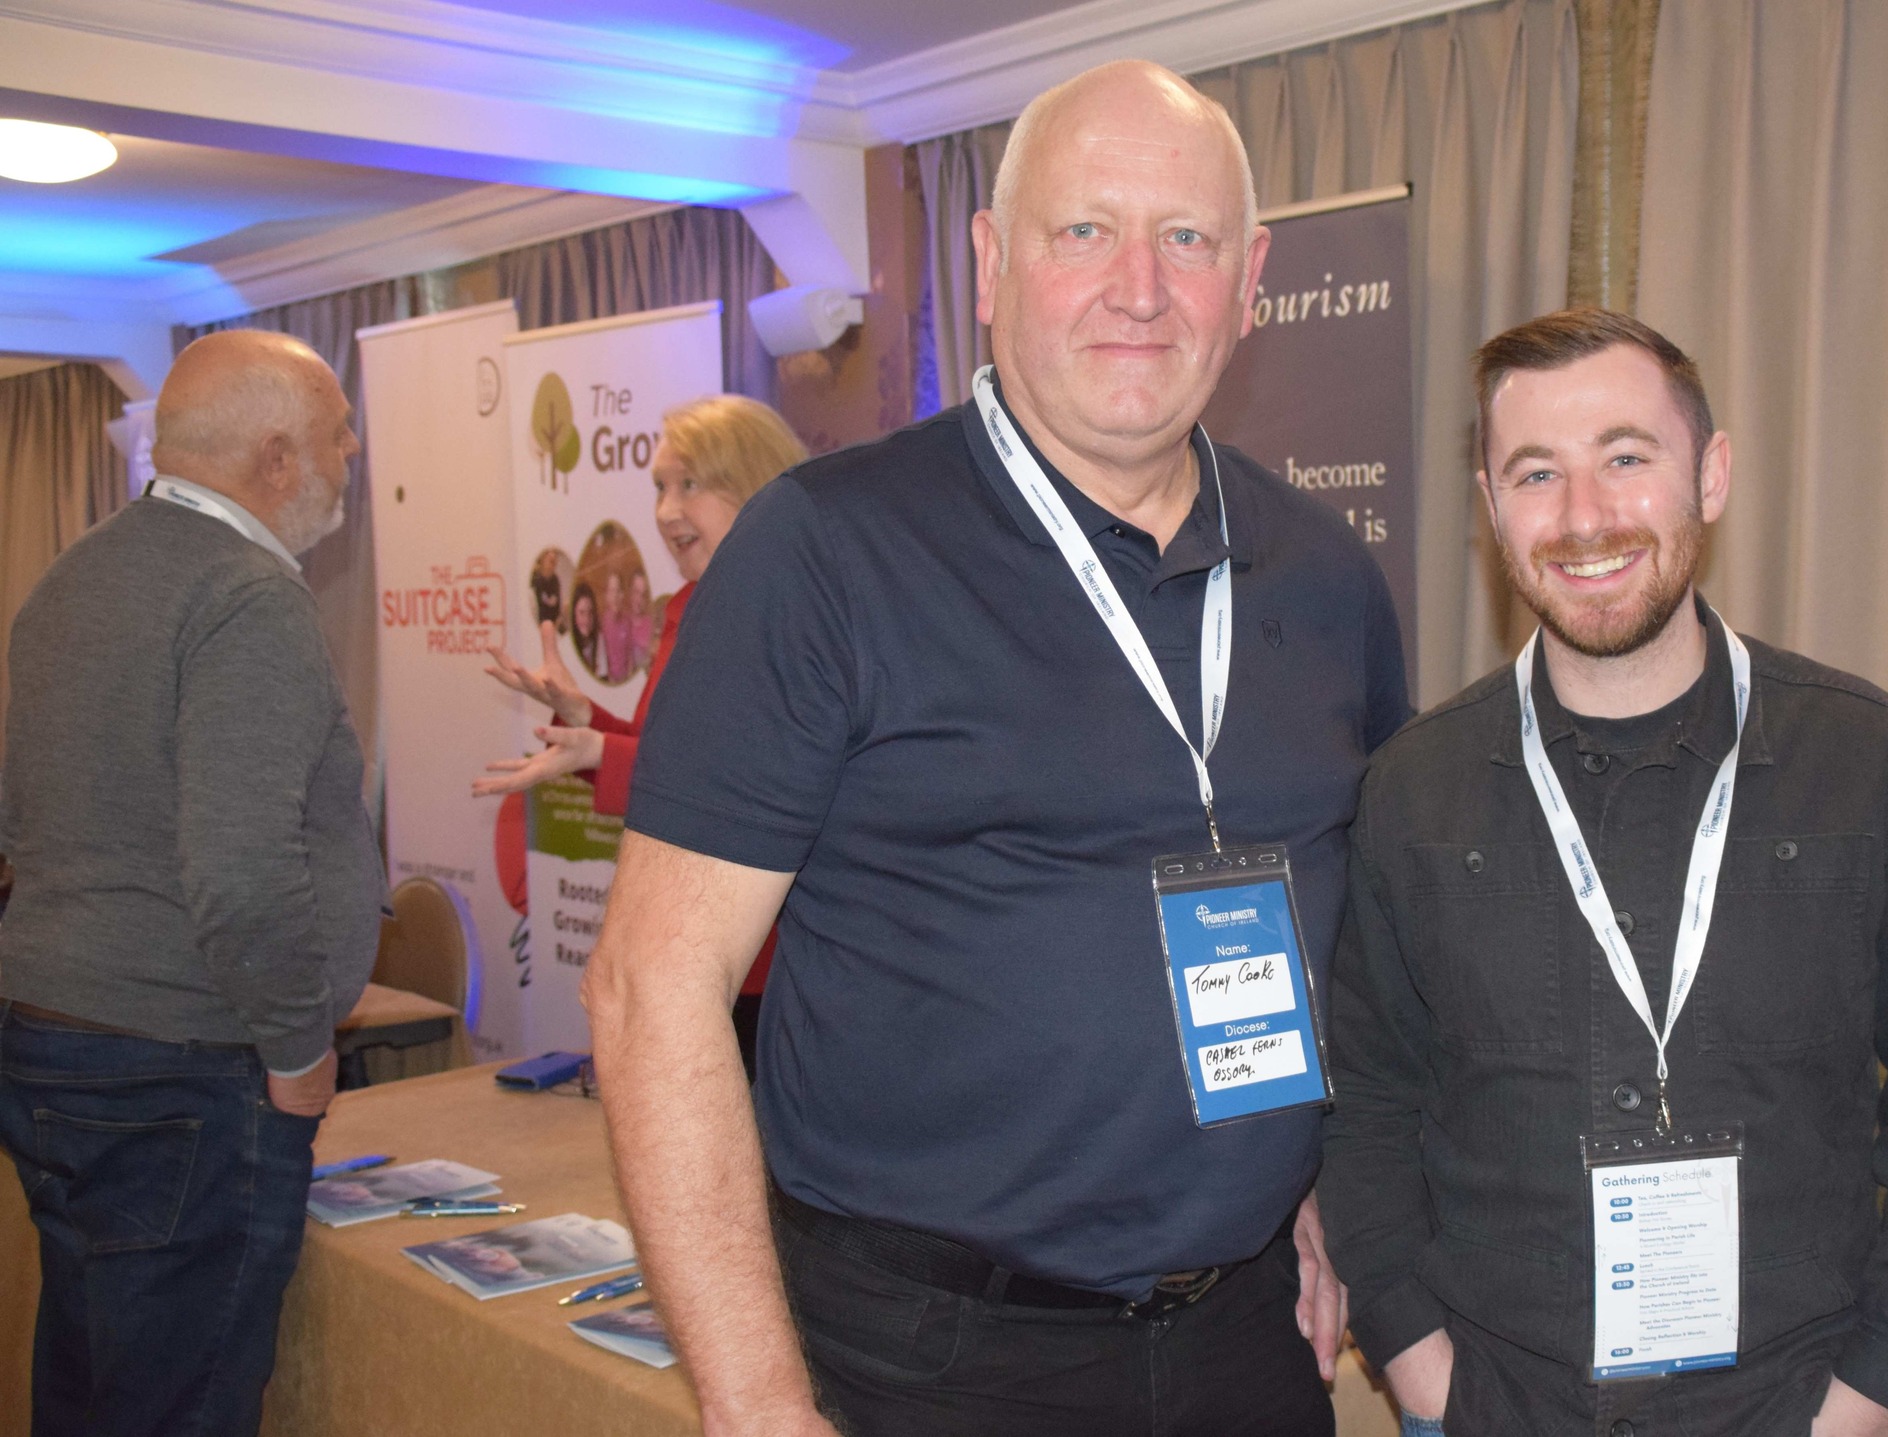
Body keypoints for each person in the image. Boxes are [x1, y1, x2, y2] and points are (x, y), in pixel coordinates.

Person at [583, 59, 1410, 1437]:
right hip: (928, 1358)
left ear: (1250, 277)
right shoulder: (826, 551)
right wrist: (759, 1411)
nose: (1138, 284)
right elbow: (651, 987)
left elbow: (1361, 934)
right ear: (989, 260)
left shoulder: (1325, 574)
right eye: (1083, 229)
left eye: (1187, 239)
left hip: (1243, 1343)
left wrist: (1326, 1176)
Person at [1318, 308, 1888, 1437]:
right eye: (1535, 472)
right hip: (1496, 1403)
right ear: (1491, 510)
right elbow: (1362, 1098)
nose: (1583, 516)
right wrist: (1415, 1359)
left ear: (1708, 476)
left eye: (1624, 458)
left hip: (1799, 1405)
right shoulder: (1412, 790)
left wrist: (1878, 1394)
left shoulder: (1871, 767)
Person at [0, 328, 386, 1435]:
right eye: (337, 433)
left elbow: (23, 817)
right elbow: (241, 873)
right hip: (183, 1072)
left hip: (53, 1050)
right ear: (275, 458)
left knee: (89, 1384)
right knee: (176, 1407)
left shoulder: (71, 579)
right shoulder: (245, 596)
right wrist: (298, 1048)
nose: (352, 453)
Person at [474, 393, 807, 1070]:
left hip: (772, 960)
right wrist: (583, 721)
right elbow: (670, 756)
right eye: (659, 486)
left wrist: (600, 750)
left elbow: (741, 782)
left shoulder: (790, 612)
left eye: (689, 484)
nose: (665, 511)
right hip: (700, 950)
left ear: (756, 484)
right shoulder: (688, 605)